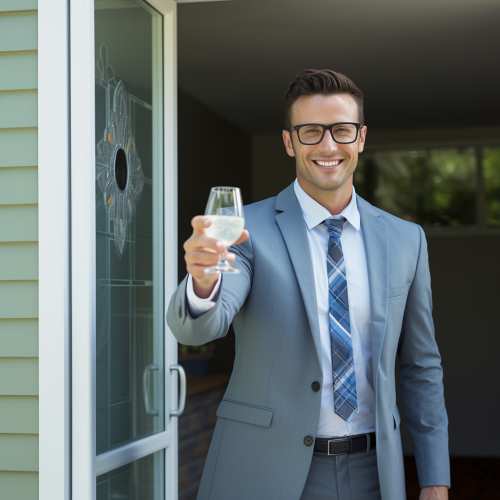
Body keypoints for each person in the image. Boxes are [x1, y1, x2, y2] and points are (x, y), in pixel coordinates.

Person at [167, 69, 450, 500]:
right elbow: (200, 327)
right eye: (311, 131)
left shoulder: (406, 239)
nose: (328, 145)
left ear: (361, 137)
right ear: (289, 142)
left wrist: (434, 478)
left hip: (374, 473)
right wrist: (203, 281)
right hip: (264, 469)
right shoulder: (247, 231)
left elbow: (420, 366)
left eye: (341, 130)